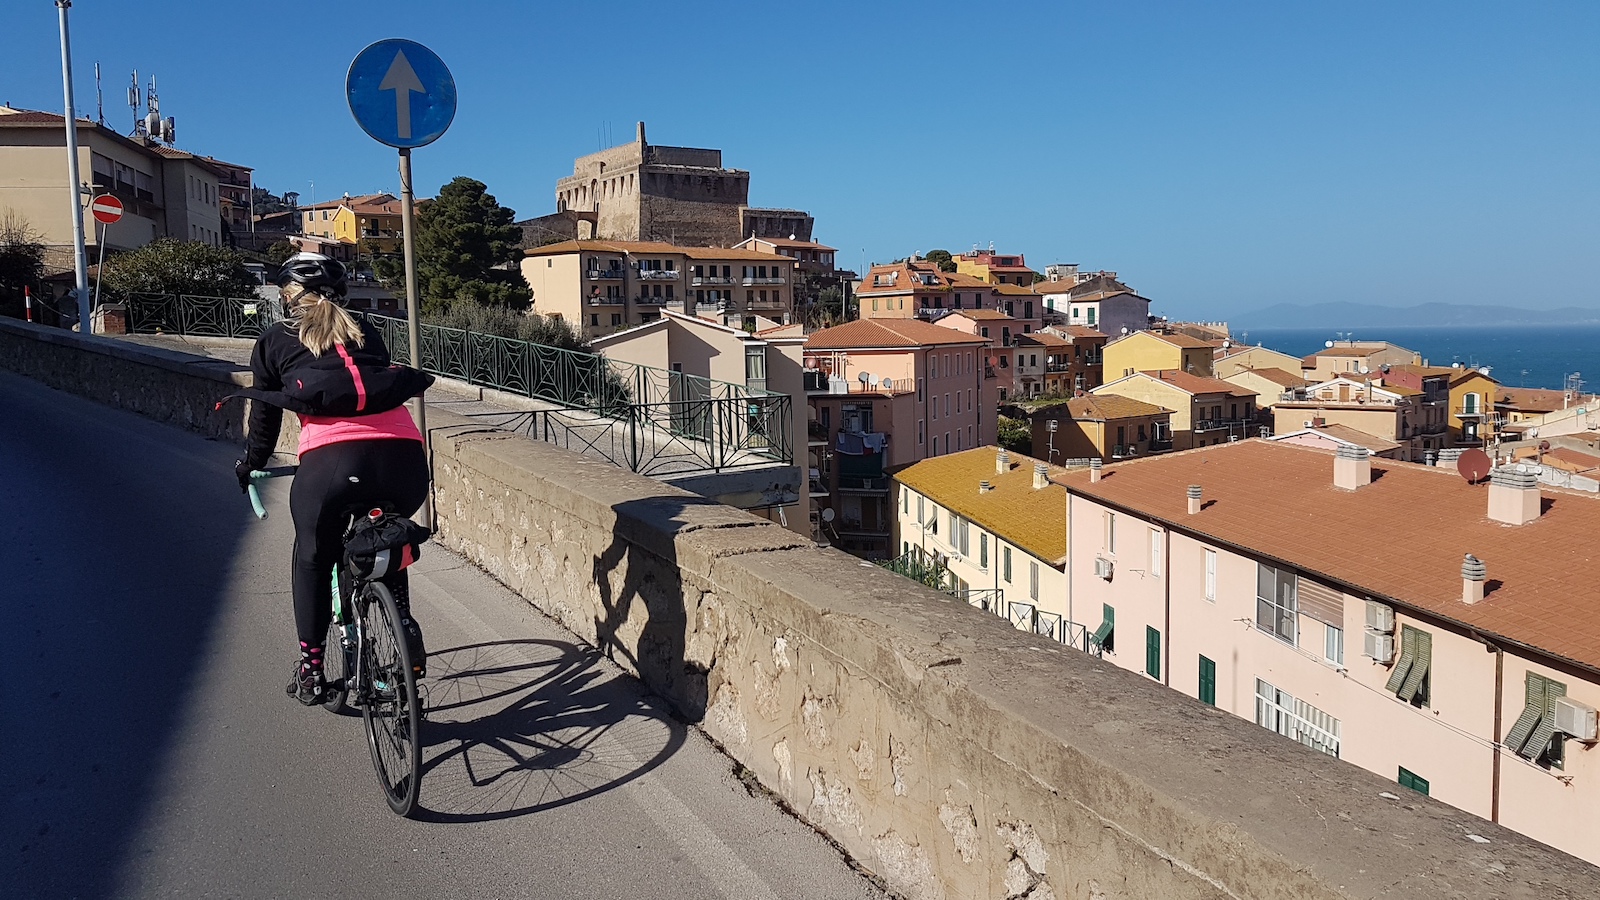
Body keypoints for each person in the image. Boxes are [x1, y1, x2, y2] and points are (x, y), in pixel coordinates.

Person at [232, 253, 431, 705]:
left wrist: (250, 463)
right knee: (387, 541)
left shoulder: (274, 340)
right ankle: (400, 626)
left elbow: (264, 415)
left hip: (333, 465)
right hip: (405, 461)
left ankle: (312, 669)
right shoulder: (365, 331)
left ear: (291, 299)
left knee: (313, 557)